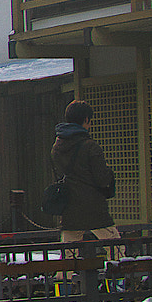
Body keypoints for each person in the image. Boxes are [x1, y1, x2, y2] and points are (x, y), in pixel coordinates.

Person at [50, 100, 119, 249]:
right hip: (93, 206)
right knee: (115, 247)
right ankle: (118, 272)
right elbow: (102, 178)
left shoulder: (57, 147)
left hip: (69, 206)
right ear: (86, 119)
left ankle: (64, 273)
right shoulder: (90, 146)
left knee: (68, 252)